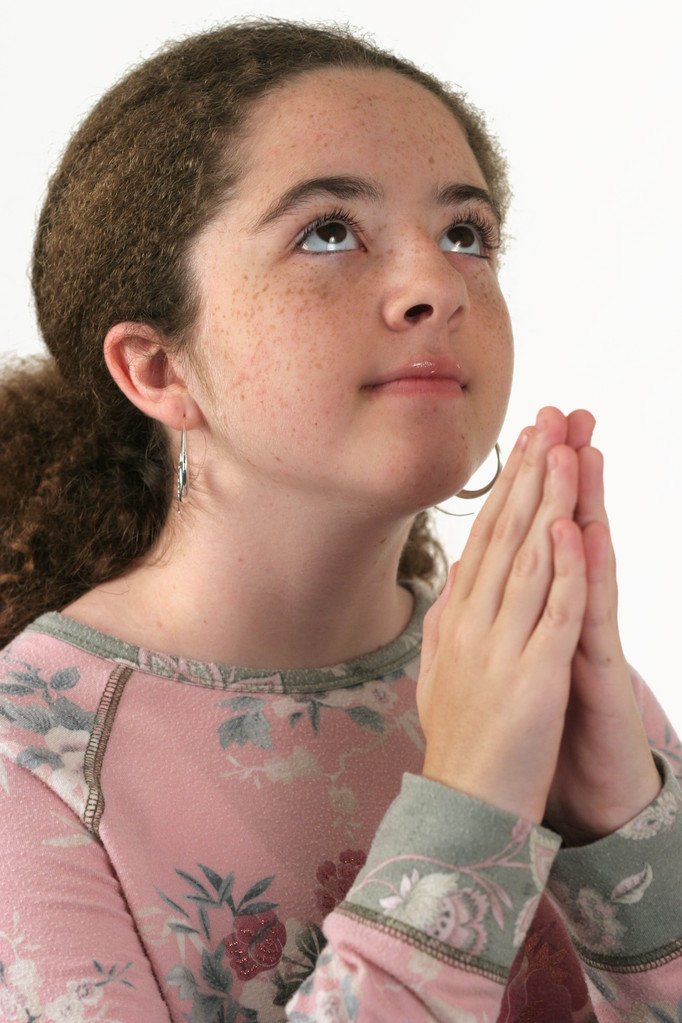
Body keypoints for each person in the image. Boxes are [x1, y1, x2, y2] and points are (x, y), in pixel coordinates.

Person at [0, 18, 680, 1022]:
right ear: (157, 368)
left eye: (465, 234)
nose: (437, 286)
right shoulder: (32, 769)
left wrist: (624, 837)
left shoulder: (551, 680)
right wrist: (469, 817)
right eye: (327, 232)